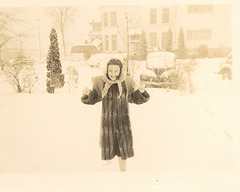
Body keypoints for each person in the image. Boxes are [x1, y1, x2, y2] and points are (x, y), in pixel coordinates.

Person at [81, 58, 150, 172]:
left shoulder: (126, 82)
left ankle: (123, 173)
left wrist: (141, 92)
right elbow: (95, 98)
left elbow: (133, 98)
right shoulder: (100, 82)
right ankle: (109, 167)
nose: (113, 74)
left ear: (120, 70)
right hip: (107, 123)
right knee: (108, 148)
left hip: (122, 123)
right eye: (110, 70)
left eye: (116, 71)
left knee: (122, 150)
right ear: (107, 70)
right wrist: (88, 94)